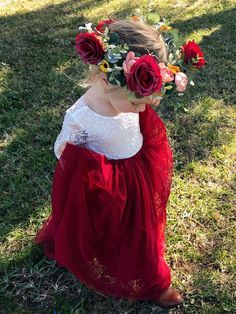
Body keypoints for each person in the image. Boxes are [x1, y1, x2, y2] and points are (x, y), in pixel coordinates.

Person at [34, 18, 184, 308]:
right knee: (107, 231)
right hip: (108, 185)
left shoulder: (122, 98)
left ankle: (153, 278)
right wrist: (90, 165)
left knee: (141, 231)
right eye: (138, 101)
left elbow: (134, 116)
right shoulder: (81, 116)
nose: (145, 107)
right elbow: (62, 150)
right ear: (105, 79)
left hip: (137, 173)